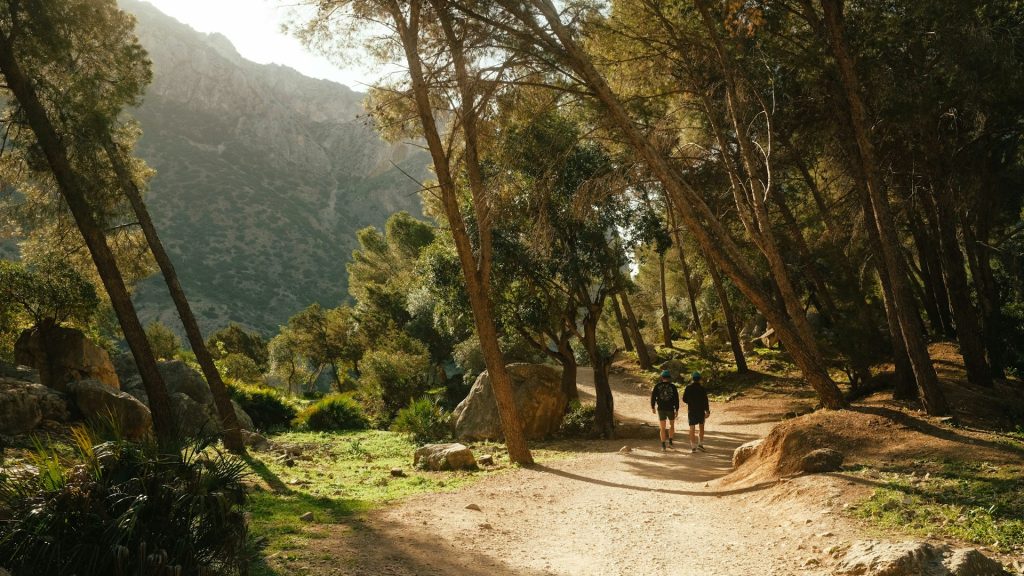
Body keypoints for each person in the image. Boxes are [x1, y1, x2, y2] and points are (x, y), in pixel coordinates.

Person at [650, 370, 679, 452]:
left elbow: (653, 397)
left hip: (661, 409)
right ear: (669, 378)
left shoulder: (657, 386)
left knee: (662, 428)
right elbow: (676, 399)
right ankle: (670, 443)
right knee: (671, 425)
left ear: (661, 377)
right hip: (670, 409)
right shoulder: (673, 387)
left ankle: (663, 446)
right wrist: (677, 409)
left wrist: (653, 406)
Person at [682, 371, 710, 453]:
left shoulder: (688, 388)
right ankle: (700, 444)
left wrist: (689, 402)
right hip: (700, 410)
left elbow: (684, 399)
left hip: (692, 410)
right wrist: (707, 411)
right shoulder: (702, 388)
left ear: (692, 379)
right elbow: (705, 401)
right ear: (700, 379)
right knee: (701, 427)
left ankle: (693, 447)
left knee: (692, 428)